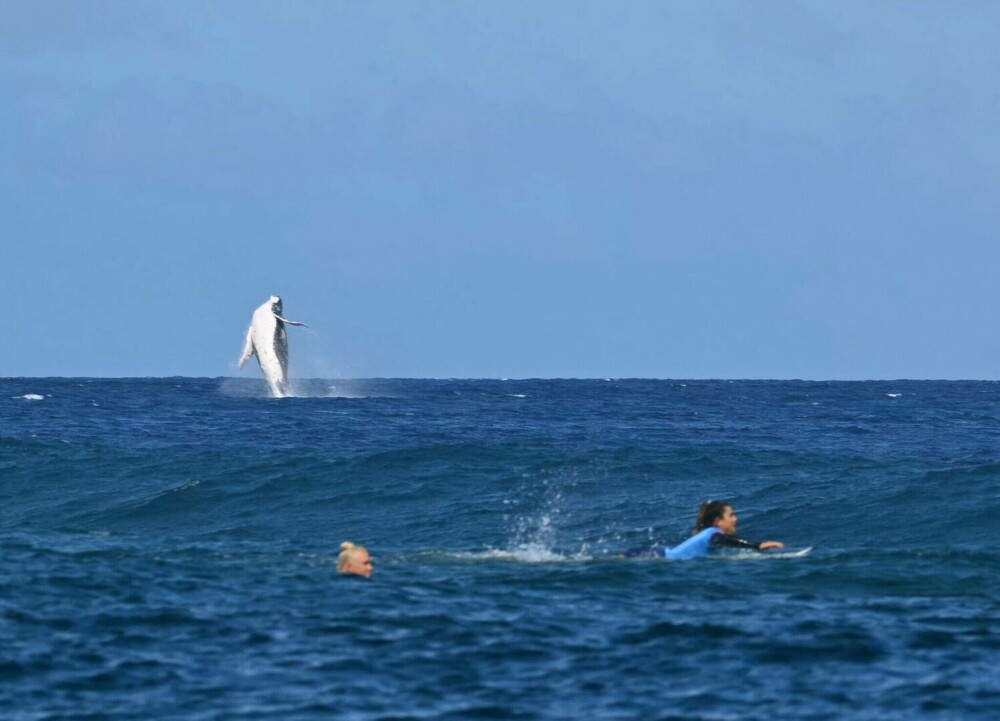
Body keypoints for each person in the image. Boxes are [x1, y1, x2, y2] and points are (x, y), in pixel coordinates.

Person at [624, 500, 784, 559]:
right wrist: (757, 546)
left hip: (656, 553)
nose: (736, 519)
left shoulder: (708, 534)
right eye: (731, 515)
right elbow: (725, 541)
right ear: (718, 521)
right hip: (653, 555)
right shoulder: (713, 534)